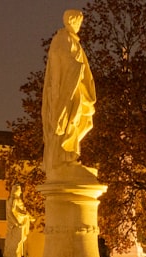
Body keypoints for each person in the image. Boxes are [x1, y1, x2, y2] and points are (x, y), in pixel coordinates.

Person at [42, 9, 96, 177]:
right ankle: (64, 157)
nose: (80, 25)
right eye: (79, 22)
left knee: (77, 121)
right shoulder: (62, 39)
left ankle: (70, 156)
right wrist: (76, 67)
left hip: (75, 87)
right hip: (67, 88)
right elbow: (61, 61)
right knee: (68, 121)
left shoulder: (72, 40)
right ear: (73, 21)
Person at [3, 184, 32, 257]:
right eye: (19, 189)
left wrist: (28, 216)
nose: (20, 191)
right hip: (17, 223)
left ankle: (16, 254)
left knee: (21, 239)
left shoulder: (17, 199)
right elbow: (11, 212)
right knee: (18, 239)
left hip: (21, 221)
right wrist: (16, 222)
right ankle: (13, 254)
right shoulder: (14, 199)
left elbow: (20, 210)